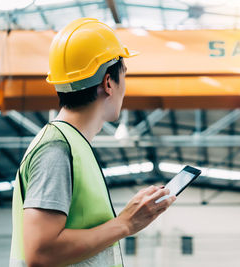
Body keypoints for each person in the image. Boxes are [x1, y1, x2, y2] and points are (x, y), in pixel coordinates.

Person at [10, 17, 176, 267]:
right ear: (108, 82)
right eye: (125, 75)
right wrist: (125, 223)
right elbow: (41, 253)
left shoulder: (72, 145)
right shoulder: (57, 148)